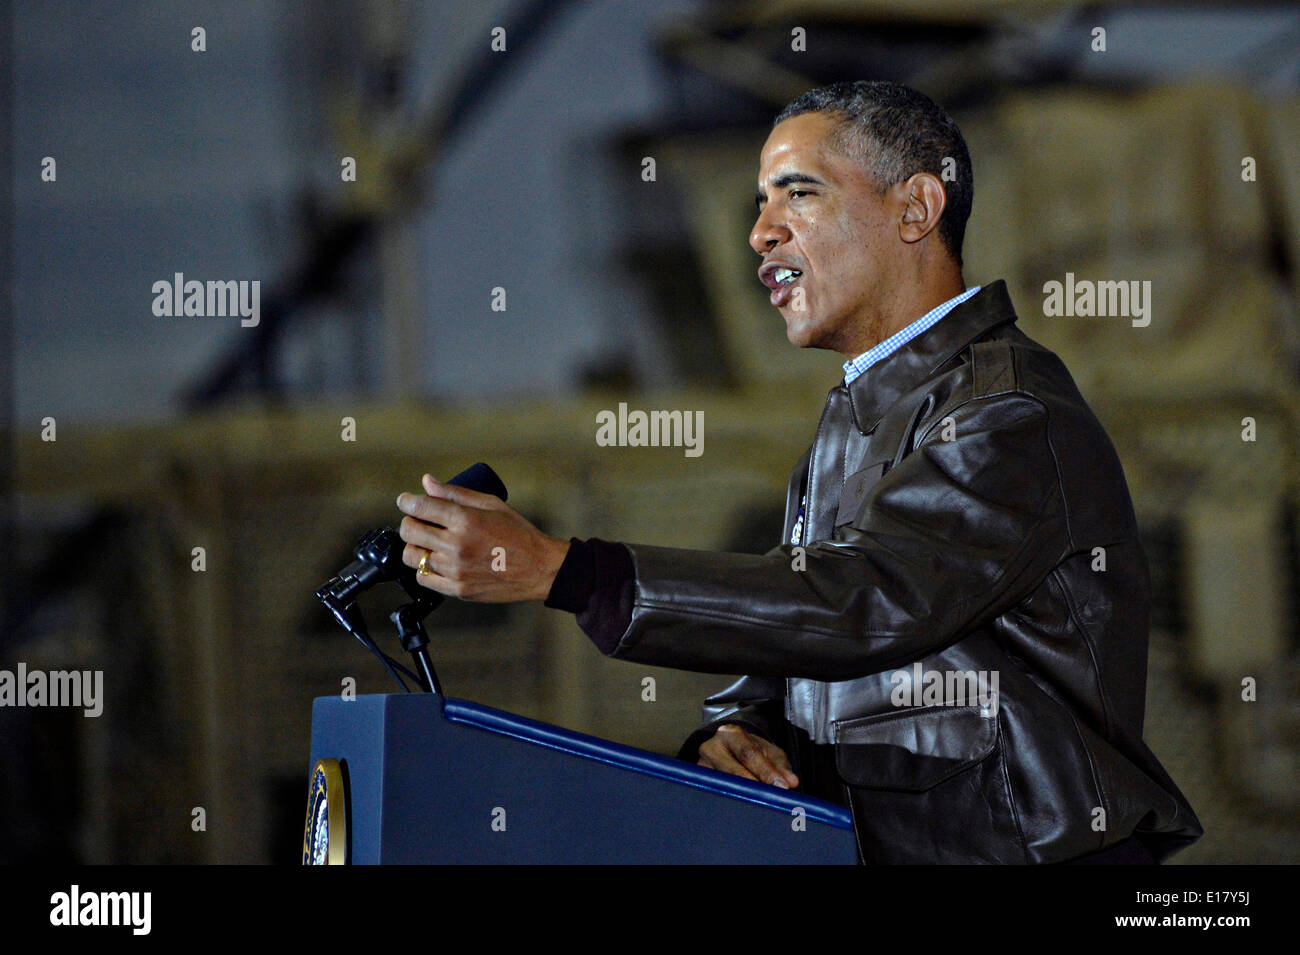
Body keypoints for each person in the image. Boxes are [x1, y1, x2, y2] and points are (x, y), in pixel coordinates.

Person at [393, 80, 1202, 864]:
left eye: (798, 194)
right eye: (759, 203)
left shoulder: (1008, 414)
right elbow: (796, 647)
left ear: (916, 208)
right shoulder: (854, 419)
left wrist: (568, 572)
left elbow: (868, 601)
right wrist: (742, 731)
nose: (760, 233)